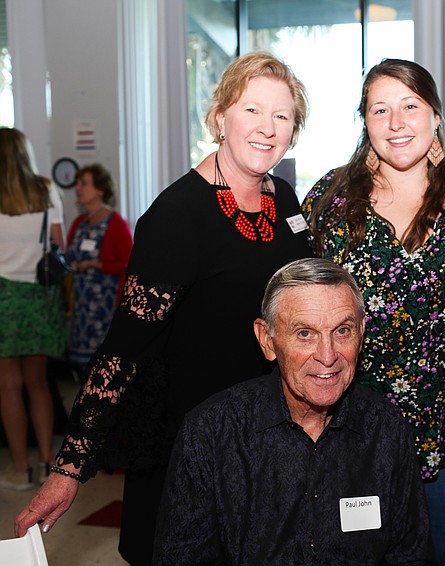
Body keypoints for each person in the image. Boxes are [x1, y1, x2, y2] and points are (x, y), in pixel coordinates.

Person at [15, 51, 314, 565]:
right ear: (220, 117)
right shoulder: (176, 216)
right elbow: (123, 349)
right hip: (191, 447)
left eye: (282, 116)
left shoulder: (283, 199)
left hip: (267, 438)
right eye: (252, 110)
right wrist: (69, 467)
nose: (267, 128)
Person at [302, 58, 445, 565]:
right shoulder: (330, 200)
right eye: (380, 110)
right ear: (365, 120)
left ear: (435, 115)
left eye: (410, 106)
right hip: (358, 437)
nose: (396, 123)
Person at [153, 258, 433, 565]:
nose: (328, 355)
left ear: (362, 331)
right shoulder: (211, 433)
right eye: (304, 334)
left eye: (342, 331)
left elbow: (411, 556)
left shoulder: (386, 428)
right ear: (267, 340)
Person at [0, 128, 66, 491]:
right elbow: (59, 244)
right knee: (39, 383)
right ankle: (45, 462)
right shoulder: (45, 189)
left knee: (8, 387)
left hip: (3, 297)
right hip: (40, 295)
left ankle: (21, 469)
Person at [66, 163, 133, 370]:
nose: (78, 187)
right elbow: (68, 255)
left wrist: (96, 265)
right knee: (83, 366)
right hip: (81, 306)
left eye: (84, 183)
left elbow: (129, 265)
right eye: (77, 183)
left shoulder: (116, 224)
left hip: (106, 306)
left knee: (105, 367)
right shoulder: (79, 222)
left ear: (100, 190)